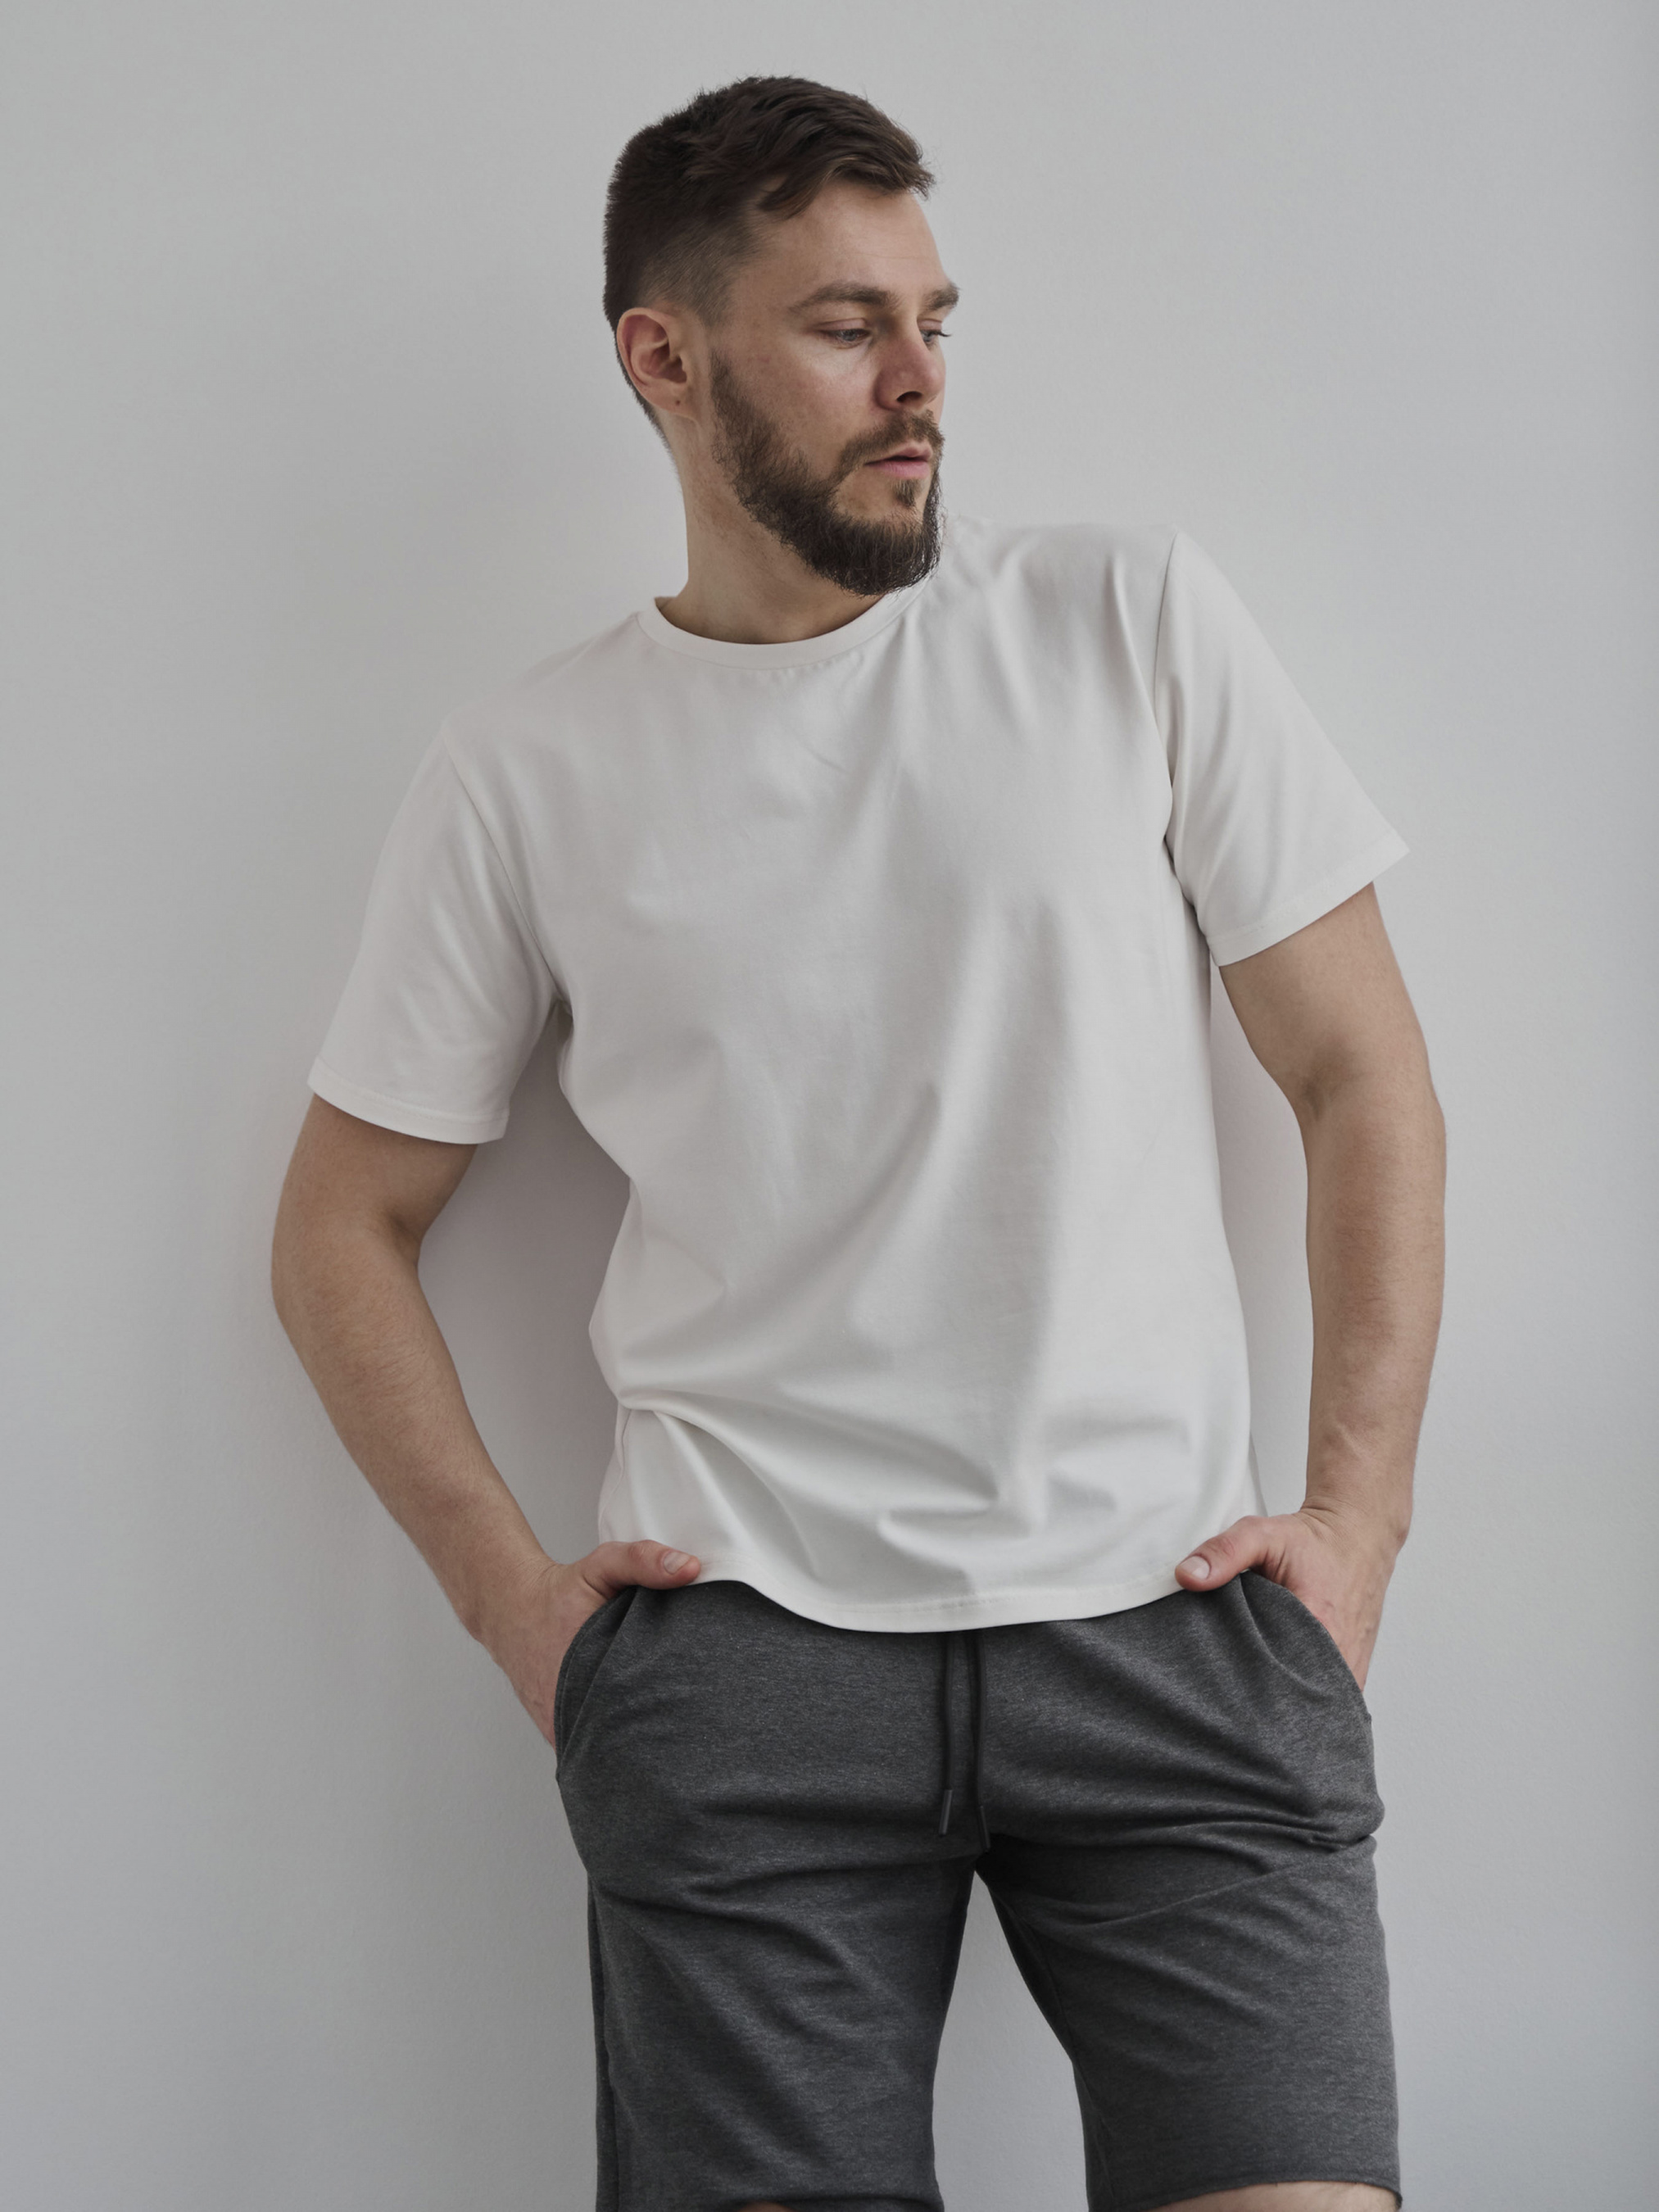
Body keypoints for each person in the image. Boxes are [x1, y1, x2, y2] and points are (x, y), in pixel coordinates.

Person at [272, 74, 1444, 2212]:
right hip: (746, 1669)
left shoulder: (1127, 624)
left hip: (1174, 1623)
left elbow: (1361, 1077)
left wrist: (1354, 1526)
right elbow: (341, 1223)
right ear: (662, 356)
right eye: (844, 326)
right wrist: (523, 1612)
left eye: (935, 319)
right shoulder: (528, 766)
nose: (920, 383)